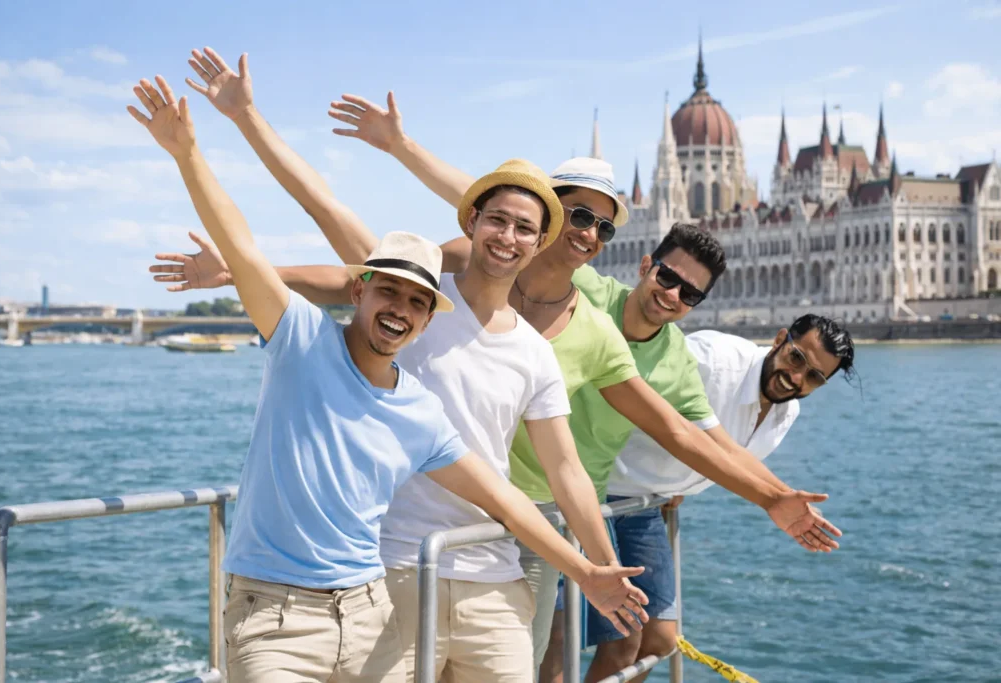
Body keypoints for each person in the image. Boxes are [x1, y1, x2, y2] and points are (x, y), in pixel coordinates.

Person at [150, 51, 840, 678]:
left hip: (503, 555)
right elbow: (342, 233)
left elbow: (603, 457)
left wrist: (610, 562)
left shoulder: (567, 330)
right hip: (391, 559)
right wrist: (246, 153)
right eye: (574, 218)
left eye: (600, 227)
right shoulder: (424, 297)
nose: (586, 234)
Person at [128, 73, 647, 683]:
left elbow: (543, 481)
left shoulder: (455, 390)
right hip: (385, 568)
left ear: (538, 243)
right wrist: (233, 130)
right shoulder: (383, 303)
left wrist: (598, 569)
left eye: (524, 229)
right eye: (497, 221)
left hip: (480, 573)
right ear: (472, 222)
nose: (400, 307)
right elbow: (317, 210)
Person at [584, 315, 856, 682]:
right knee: (617, 636)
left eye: (814, 377)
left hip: (647, 502)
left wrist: (682, 485)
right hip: (599, 487)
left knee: (661, 639)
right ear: (779, 339)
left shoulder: (786, 412)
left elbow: (725, 458)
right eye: (796, 359)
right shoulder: (712, 358)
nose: (796, 378)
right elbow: (623, 381)